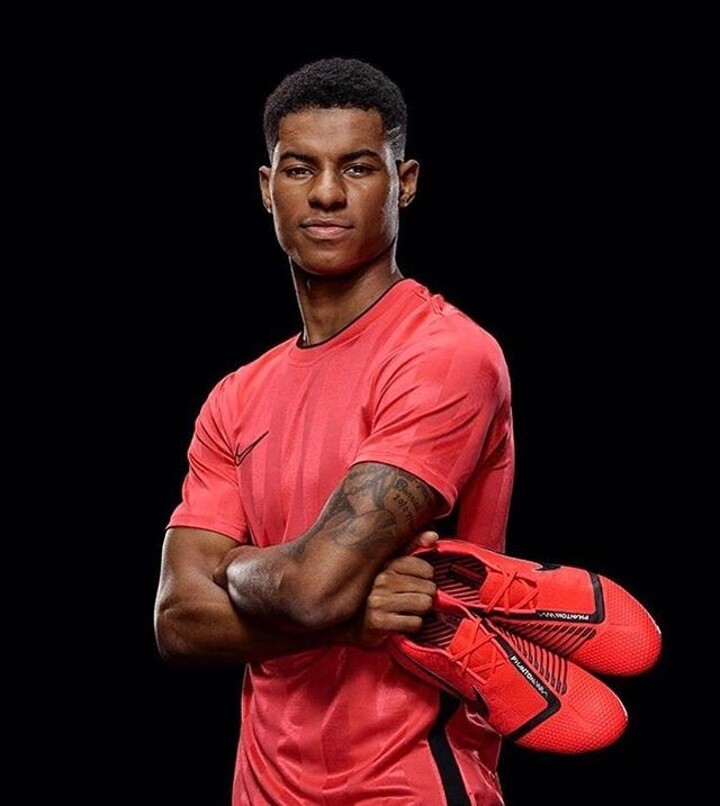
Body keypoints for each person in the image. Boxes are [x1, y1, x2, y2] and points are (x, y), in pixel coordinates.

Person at [154, 56, 515, 805]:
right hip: (260, 787)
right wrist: (346, 620)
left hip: (409, 780)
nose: (325, 193)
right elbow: (178, 621)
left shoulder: (444, 356)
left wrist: (236, 567)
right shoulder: (236, 397)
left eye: (356, 167)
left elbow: (314, 591)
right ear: (267, 188)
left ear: (404, 182)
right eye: (299, 169)